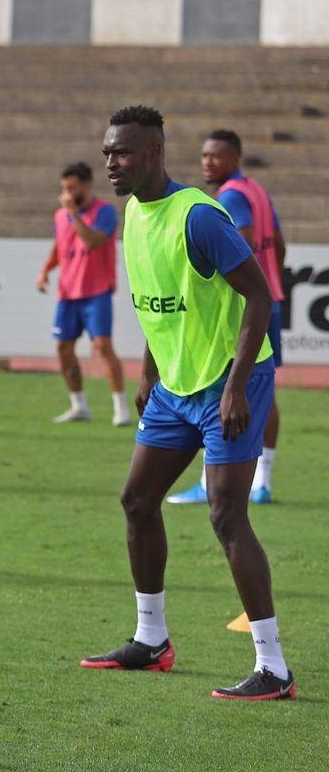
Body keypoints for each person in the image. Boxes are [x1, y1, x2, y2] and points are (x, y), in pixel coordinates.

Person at [80, 105, 293, 701]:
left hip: (231, 381)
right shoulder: (132, 213)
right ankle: (152, 641)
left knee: (227, 515)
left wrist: (235, 384)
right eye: (106, 153)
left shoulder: (199, 215)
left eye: (120, 152)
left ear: (152, 152)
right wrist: (149, 370)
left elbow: (258, 297)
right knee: (137, 500)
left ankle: (274, 668)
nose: (110, 163)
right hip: (174, 386)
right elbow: (158, 299)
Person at [168, 130, 287, 506]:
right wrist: (270, 285)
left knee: (219, 385)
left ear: (235, 158)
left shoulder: (231, 196)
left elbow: (245, 243)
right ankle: (262, 481)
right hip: (269, 300)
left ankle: (210, 482)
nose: (207, 162)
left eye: (215, 157)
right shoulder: (257, 190)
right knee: (264, 391)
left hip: (241, 306)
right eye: (204, 155)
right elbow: (278, 245)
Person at [36, 162, 129, 426]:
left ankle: (120, 407)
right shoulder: (60, 216)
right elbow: (59, 246)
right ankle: (79, 405)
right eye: (64, 187)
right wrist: (44, 270)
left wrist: (74, 212)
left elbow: (91, 241)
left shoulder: (105, 212)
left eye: (71, 187)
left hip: (96, 291)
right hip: (67, 292)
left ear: (87, 185)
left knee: (102, 346)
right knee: (63, 347)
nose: (66, 192)